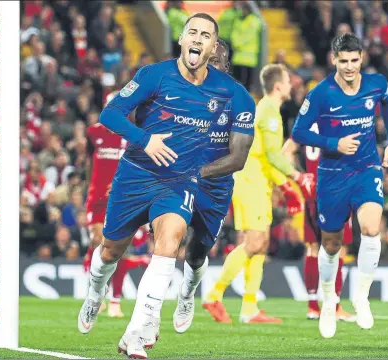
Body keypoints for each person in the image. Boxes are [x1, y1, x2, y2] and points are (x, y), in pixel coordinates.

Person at [77, 13, 255, 359]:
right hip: (135, 175)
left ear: (213, 46)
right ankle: (94, 293)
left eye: (206, 35)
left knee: (170, 245)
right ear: (181, 39)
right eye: (193, 32)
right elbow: (110, 114)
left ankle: (138, 334)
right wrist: (145, 140)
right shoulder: (154, 75)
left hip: (180, 181)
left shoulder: (231, 92)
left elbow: (239, 154)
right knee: (110, 250)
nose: (198, 39)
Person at [291, 33, 388, 339]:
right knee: (331, 244)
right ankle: (329, 301)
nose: (349, 67)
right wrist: (332, 142)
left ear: (361, 57)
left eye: (354, 60)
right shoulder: (321, 93)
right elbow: (298, 132)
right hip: (332, 174)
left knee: (372, 229)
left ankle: (360, 296)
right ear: (333, 59)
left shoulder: (376, 83)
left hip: (366, 168)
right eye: (343, 61)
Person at [203, 63, 316, 324]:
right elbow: (273, 156)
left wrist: (285, 185)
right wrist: (296, 178)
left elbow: (267, 158)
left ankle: (249, 308)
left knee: (261, 243)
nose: (291, 84)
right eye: (288, 80)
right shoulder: (269, 113)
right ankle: (214, 295)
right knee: (253, 242)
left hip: (257, 180)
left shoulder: (268, 109)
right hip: (250, 181)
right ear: (278, 86)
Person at [171, 39, 255, 334]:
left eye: (215, 61)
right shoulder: (182, 90)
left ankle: (187, 293)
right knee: (169, 236)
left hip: (215, 187)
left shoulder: (241, 99)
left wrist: (197, 172)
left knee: (196, 254)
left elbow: (239, 158)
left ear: (225, 66)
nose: (208, 65)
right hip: (179, 180)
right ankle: (145, 320)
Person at [83, 91, 149, 318]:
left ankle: (114, 300)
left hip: (119, 198)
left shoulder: (131, 136)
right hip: (96, 197)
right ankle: (96, 290)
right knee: (95, 240)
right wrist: (90, 188)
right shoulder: (93, 132)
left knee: (116, 249)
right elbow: (88, 163)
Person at [282, 137, 356, 322]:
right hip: (336, 190)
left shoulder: (305, 124)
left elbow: (285, 153)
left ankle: (313, 306)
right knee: (339, 249)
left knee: (312, 247)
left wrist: (301, 177)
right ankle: (335, 306)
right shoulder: (340, 118)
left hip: (312, 192)